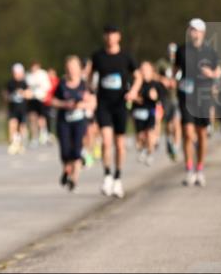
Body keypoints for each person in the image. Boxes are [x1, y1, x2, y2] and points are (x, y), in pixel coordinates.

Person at [86, 24, 141, 199]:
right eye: (107, 34)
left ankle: (118, 178)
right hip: (103, 104)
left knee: (119, 144)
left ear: (119, 37)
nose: (110, 38)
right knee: (106, 141)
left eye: (113, 34)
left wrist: (133, 92)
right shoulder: (98, 56)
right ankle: (107, 175)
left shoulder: (126, 57)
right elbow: (89, 75)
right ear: (104, 37)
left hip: (120, 104)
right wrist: (91, 91)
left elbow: (138, 76)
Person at [175, 18, 220, 187]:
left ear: (202, 32)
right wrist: (173, 80)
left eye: (195, 29)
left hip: (203, 97)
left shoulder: (210, 52)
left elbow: (218, 70)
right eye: (190, 29)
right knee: (187, 132)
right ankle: (188, 169)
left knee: (201, 134)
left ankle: (200, 169)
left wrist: (212, 74)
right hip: (186, 97)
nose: (192, 32)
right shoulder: (181, 50)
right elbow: (176, 71)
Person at [51, 55, 95, 191]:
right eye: (69, 68)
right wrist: (65, 104)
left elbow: (93, 103)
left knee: (76, 150)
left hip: (79, 122)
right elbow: (52, 101)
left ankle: (74, 179)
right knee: (65, 151)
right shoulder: (61, 84)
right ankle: (66, 169)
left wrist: (81, 105)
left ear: (79, 68)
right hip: (64, 121)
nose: (71, 71)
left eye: (74, 67)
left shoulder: (85, 84)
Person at [130, 61, 165, 166]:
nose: (144, 72)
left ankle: (150, 153)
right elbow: (130, 96)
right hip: (138, 112)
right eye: (142, 70)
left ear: (151, 71)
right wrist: (135, 98)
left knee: (150, 134)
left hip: (150, 111)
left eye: (146, 70)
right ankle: (142, 150)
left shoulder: (156, 84)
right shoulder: (136, 83)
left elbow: (161, 98)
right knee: (140, 136)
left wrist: (155, 97)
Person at [4, 63, 30, 155]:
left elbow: (29, 95)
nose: (17, 75)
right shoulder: (10, 83)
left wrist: (23, 93)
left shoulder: (24, 83)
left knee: (21, 127)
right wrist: (9, 97)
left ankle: (20, 143)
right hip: (13, 108)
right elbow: (5, 95)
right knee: (12, 124)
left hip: (22, 109)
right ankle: (13, 143)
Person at [25, 61, 52, 146]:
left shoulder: (42, 74)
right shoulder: (28, 75)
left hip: (41, 98)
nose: (33, 68)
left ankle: (44, 134)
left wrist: (43, 94)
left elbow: (48, 86)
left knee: (41, 118)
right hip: (32, 99)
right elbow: (27, 87)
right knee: (32, 118)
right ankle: (34, 137)